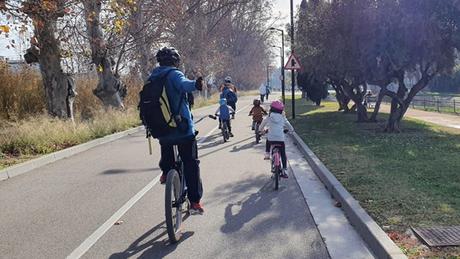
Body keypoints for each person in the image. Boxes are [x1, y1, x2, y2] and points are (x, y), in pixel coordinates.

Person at [150, 47, 204, 214]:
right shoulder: (174, 74)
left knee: (166, 145)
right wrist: (196, 84)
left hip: (160, 128)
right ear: (176, 61)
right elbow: (185, 85)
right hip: (182, 129)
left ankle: (166, 172)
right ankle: (195, 202)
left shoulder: (152, 77)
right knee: (191, 163)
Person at [259, 100, 294, 178]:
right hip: (280, 139)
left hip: (271, 138)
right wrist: (291, 130)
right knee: (283, 153)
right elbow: (288, 124)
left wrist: (261, 130)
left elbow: (263, 123)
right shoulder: (282, 117)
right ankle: (284, 170)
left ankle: (267, 153)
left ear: (271, 109)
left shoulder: (269, 116)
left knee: (268, 139)